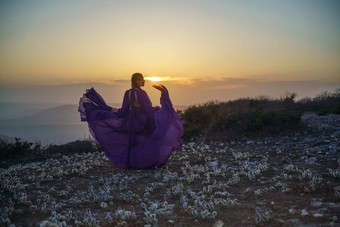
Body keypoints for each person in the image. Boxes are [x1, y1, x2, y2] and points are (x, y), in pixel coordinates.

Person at [78, 73, 183, 169]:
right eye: (142, 80)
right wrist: (158, 109)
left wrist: (112, 110)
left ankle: (134, 163)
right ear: (137, 81)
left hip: (130, 122)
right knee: (150, 138)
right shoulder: (142, 93)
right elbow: (147, 110)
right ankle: (147, 161)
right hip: (143, 122)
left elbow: (123, 111)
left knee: (134, 143)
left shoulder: (127, 93)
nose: (144, 81)